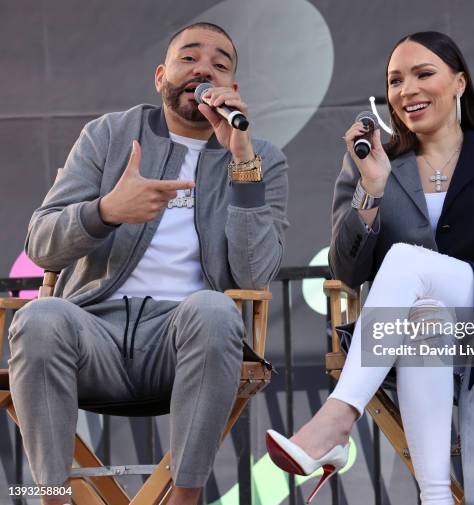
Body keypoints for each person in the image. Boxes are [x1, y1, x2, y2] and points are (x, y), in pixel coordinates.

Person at [266, 31, 474, 504]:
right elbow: (348, 271)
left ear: (459, 83)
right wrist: (371, 188)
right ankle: (435, 497)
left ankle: (337, 418)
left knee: (409, 263)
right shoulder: (375, 166)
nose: (407, 90)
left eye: (423, 74)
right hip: (419, 336)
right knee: (425, 313)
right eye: (394, 81)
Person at [8, 22, 288, 505]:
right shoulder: (109, 136)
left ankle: (183, 498)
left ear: (232, 90)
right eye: (189, 59)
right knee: (39, 316)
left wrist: (241, 160)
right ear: (161, 77)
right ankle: (54, 498)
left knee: (214, 309)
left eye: (219, 65)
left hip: (184, 342)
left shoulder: (262, 158)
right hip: (92, 333)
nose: (203, 68)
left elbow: (254, 274)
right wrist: (105, 213)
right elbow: (41, 244)